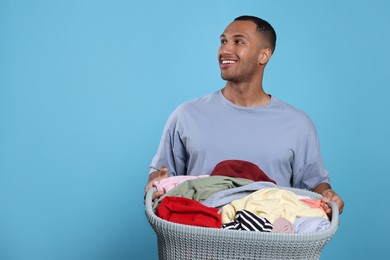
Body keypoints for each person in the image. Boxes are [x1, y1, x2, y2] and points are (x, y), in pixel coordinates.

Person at [144, 15, 344, 215]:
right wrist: (156, 183)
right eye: (223, 41)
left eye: (238, 42)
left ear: (264, 55)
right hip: (196, 237)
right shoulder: (186, 115)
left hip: (271, 241)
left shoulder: (298, 125)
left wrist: (328, 197)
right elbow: (162, 178)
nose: (225, 50)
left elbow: (315, 185)